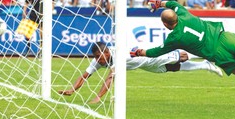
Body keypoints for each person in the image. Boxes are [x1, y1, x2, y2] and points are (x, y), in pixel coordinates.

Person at [132, 0, 235, 96]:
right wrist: (159, 3)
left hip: (217, 54)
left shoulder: (175, 38)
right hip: (224, 38)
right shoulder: (184, 13)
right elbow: (173, 4)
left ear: (165, 24)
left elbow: (155, 52)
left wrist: (139, 52)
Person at [58, 42, 223, 103]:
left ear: (107, 52)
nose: (97, 60)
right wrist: (72, 90)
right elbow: (84, 76)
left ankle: (210, 55)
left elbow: (111, 77)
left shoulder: (117, 54)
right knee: (174, 68)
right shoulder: (99, 60)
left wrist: (98, 97)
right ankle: (205, 65)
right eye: (96, 57)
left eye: (99, 56)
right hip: (146, 65)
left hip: (151, 56)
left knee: (183, 56)